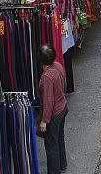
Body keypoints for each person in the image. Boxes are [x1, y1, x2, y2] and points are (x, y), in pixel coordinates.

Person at [38, 45, 67, 174]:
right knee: (59, 137)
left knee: (51, 144)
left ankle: (54, 171)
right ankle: (62, 164)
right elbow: (64, 83)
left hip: (55, 114)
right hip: (63, 107)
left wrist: (44, 120)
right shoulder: (58, 65)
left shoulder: (47, 77)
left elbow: (48, 101)